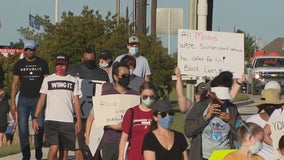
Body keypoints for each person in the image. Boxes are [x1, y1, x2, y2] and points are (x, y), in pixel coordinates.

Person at [32, 53, 82, 160]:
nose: (59, 67)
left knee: (64, 152)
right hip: (51, 120)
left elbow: (76, 101)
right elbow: (42, 99)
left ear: (67, 65)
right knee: (53, 148)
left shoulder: (73, 80)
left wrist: (78, 120)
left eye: (62, 65)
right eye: (57, 64)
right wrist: (35, 118)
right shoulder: (48, 80)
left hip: (67, 120)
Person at [85, 62, 138, 160]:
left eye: (128, 75)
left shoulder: (135, 96)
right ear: (115, 77)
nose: (126, 78)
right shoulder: (105, 95)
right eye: (123, 75)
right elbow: (92, 117)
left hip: (130, 141)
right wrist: (88, 136)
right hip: (110, 141)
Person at [184, 71, 241, 160]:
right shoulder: (200, 107)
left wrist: (231, 121)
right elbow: (188, 131)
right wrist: (205, 118)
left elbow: (241, 134)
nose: (223, 101)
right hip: (203, 157)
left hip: (225, 156)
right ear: (211, 94)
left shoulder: (231, 109)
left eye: (225, 98)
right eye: (221, 98)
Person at [11, 39, 49, 160]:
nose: (29, 51)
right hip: (23, 99)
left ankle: (38, 152)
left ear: (35, 49)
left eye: (31, 49)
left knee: (39, 127)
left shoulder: (43, 63)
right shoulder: (19, 64)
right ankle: (26, 155)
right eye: (26, 49)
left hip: (38, 99)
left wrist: (47, 99)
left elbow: (47, 82)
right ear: (24, 50)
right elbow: (15, 84)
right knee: (22, 128)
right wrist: (12, 102)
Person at [69, 47, 109, 160]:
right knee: (79, 147)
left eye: (91, 59)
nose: (89, 61)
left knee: (94, 148)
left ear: (95, 59)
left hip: (96, 117)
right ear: (82, 59)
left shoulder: (102, 74)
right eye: (87, 59)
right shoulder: (73, 72)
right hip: (78, 116)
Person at [175, 67, 246, 114]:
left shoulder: (217, 106)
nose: (205, 95)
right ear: (196, 95)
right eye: (201, 94)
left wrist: (239, 82)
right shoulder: (190, 107)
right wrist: (178, 77)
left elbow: (230, 96)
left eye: (207, 93)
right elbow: (180, 95)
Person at [118, 81, 157, 160]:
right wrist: (120, 156)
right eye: (145, 97)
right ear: (140, 95)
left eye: (151, 97)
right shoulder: (131, 112)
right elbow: (124, 136)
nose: (148, 99)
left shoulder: (158, 113)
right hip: (134, 155)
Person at [246, 88, 284, 160]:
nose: (271, 107)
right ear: (263, 106)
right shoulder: (252, 121)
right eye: (268, 105)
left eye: (275, 105)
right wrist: (276, 145)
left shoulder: (281, 115)